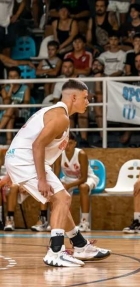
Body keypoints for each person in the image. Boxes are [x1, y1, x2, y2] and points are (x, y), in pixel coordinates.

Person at [0, 79, 110, 267]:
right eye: (85, 98)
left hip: (22, 160)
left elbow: (27, 141)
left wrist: (12, 175)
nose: (88, 102)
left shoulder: (55, 113)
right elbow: (37, 145)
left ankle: (80, 245)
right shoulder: (60, 117)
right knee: (62, 199)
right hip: (26, 160)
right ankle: (55, 251)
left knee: (60, 199)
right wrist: (41, 180)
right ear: (73, 97)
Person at [54, 132, 99, 232]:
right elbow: (55, 175)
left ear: (75, 143)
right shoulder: (59, 154)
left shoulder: (81, 154)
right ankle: (58, 221)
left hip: (88, 178)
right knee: (55, 190)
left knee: (83, 187)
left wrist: (68, 185)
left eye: (70, 143)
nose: (68, 146)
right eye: (65, 143)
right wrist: (58, 185)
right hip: (68, 178)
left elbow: (83, 178)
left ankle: (84, 222)